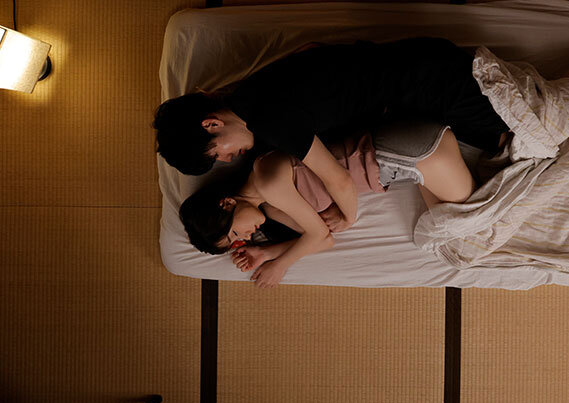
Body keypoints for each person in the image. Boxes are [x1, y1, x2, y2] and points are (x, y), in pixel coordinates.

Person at [155, 37, 513, 234]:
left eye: (218, 153)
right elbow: (310, 48)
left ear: (212, 124)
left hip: (431, 86)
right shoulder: (250, 92)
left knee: (514, 141)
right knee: (492, 168)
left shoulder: (267, 120)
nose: (228, 159)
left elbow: (338, 180)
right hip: (418, 80)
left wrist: (347, 219)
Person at [179, 121, 475, 288]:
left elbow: (319, 232)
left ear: (226, 203)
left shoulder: (267, 177)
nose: (245, 237)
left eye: (235, 233)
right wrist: (265, 253)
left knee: (468, 241)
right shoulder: (271, 208)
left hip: (400, 152)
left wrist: (280, 265)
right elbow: (324, 240)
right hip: (405, 171)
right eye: (238, 242)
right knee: (449, 241)